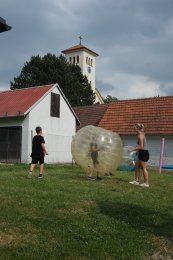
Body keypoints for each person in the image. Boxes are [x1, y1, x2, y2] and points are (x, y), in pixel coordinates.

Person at [129, 123, 150, 187]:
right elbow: (142, 129)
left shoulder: (140, 135)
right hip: (141, 152)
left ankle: (146, 183)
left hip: (144, 153)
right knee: (137, 166)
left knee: (144, 168)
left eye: (134, 127)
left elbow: (141, 146)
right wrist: (137, 151)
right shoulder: (141, 133)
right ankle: (136, 181)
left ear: (137, 128)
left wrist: (132, 150)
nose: (133, 128)